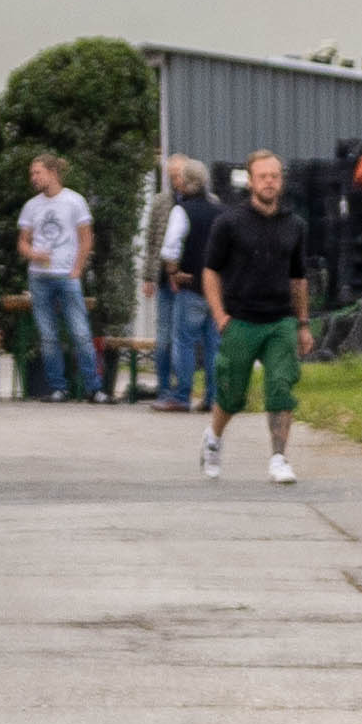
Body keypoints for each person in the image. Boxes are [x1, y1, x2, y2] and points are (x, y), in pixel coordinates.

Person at [199, 148, 315, 482]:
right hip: (240, 320)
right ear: (250, 181)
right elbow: (210, 272)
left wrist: (302, 324)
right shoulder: (229, 223)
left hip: (279, 320)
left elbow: (299, 278)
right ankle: (214, 438)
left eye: (275, 176)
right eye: (263, 176)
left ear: (282, 181)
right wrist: (220, 315)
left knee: (281, 384)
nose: (269, 182)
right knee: (232, 394)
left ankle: (279, 457)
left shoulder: (294, 225)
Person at [16, 154, 96, 404]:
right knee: (48, 335)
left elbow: (86, 238)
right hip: (39, 277)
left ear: (52, 172)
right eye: (32, 174)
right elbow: (22, 241)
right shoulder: (31, 206)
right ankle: (57, 387)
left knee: (80, 332)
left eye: (37, 173)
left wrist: (77, 270)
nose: (33, 178)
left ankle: (94, 387)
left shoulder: (74, 201)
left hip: (66, 275)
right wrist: (31, 253)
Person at [150, 154, 220, 429]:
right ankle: (213, 397)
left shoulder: (183, 211)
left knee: (184, 342)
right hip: (215, 290)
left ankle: (181, 395)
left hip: (190, 286)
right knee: (214, 344)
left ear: (186, 185)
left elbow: (169, 248)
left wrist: (173, 273)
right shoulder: (221, 210)